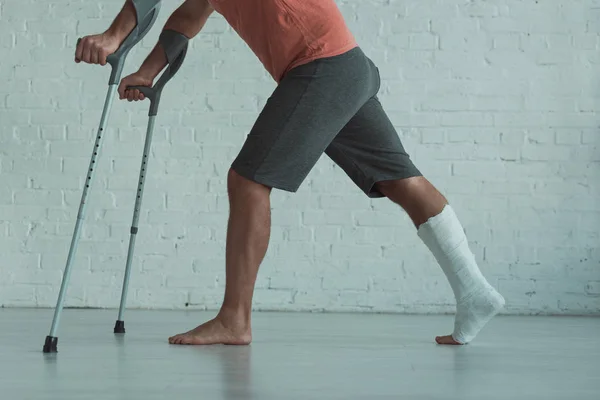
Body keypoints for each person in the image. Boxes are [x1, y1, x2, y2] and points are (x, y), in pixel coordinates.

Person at [75, 0, 505, 346]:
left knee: (248, 180)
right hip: (345, 66)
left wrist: (114, 36)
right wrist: (148, 72)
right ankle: (475, 292)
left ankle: (234, 320)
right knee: (400, 180)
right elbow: (187, 16)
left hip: (322, 66)